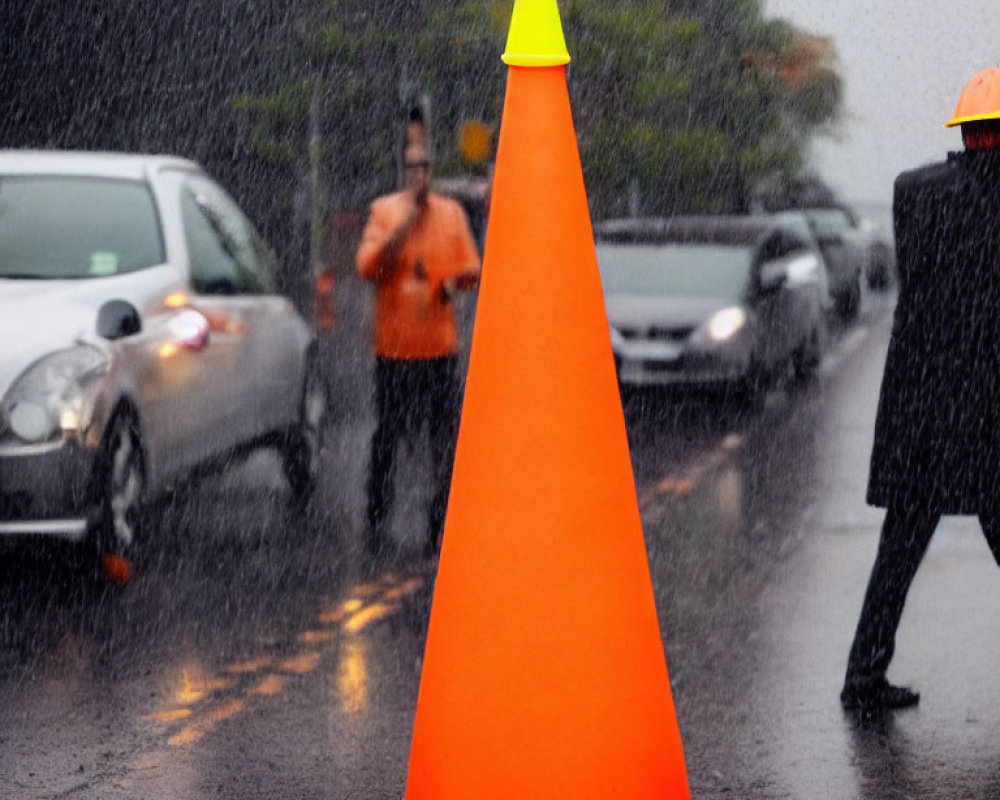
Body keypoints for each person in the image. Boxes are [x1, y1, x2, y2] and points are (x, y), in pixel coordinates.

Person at [841, 67, 1000, 713]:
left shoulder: (914, 191)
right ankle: (863, 678)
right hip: (989, 410)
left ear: (963, 132)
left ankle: (863, 677)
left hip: (923, 406)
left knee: (899, 552)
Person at [356, 141, 481, 557]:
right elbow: (368, 268)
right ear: (403, 174)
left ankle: (441, 517)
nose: (419, 177)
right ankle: (377, 514)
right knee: (387, 434)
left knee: (442, 437)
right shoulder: (384, 213)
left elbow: (471, 269)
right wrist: (402, 230)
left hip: (438, 351)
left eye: (425, 169)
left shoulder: (451, 215)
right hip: (394, 351)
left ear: (432, 172)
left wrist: (452, 283)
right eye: (412, 170)